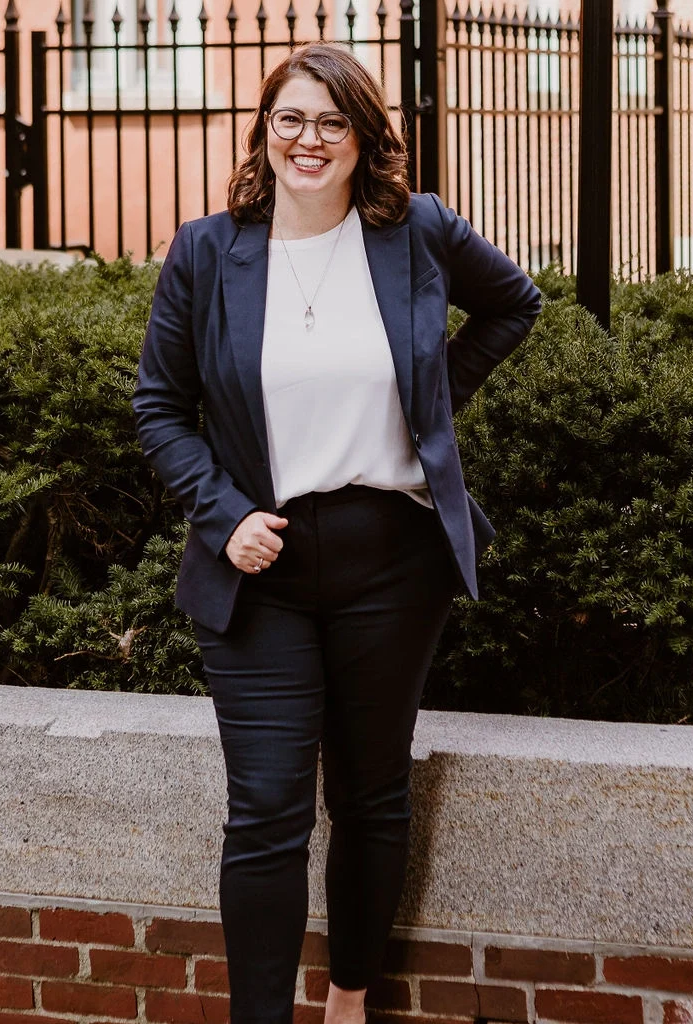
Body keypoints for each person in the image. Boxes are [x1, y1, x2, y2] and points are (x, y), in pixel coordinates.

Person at [133, 41, 542, 1024]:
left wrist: (429, 407)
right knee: (266, 811)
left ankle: (349, 999)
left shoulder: (416, 234)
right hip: (257, 566)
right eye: (289, 119)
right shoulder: (207, 251)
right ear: (263, 132)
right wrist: (223, 516)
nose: (307, 139)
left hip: (390, 565)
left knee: (369, 797)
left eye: (330, 121)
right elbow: (159, 407)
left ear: (363, 138)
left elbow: (512, 304)